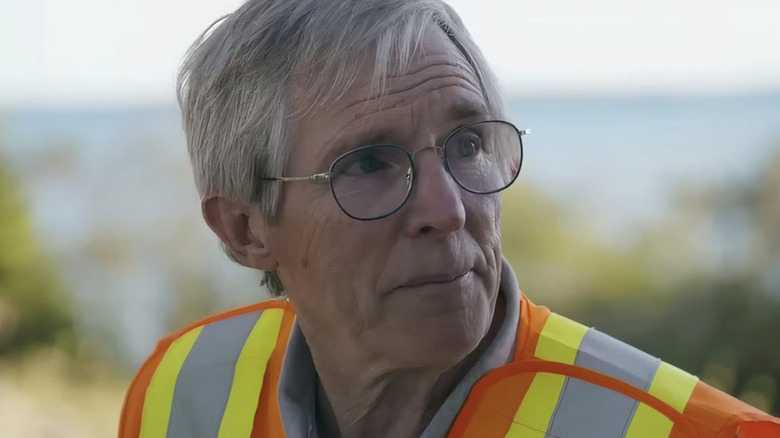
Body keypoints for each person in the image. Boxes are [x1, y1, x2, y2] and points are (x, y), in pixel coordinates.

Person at [119, 0, 780, 437]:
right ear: (244, 229)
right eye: (370, 164)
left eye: (467, 145)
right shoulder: (180, 391)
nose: (448, 209)